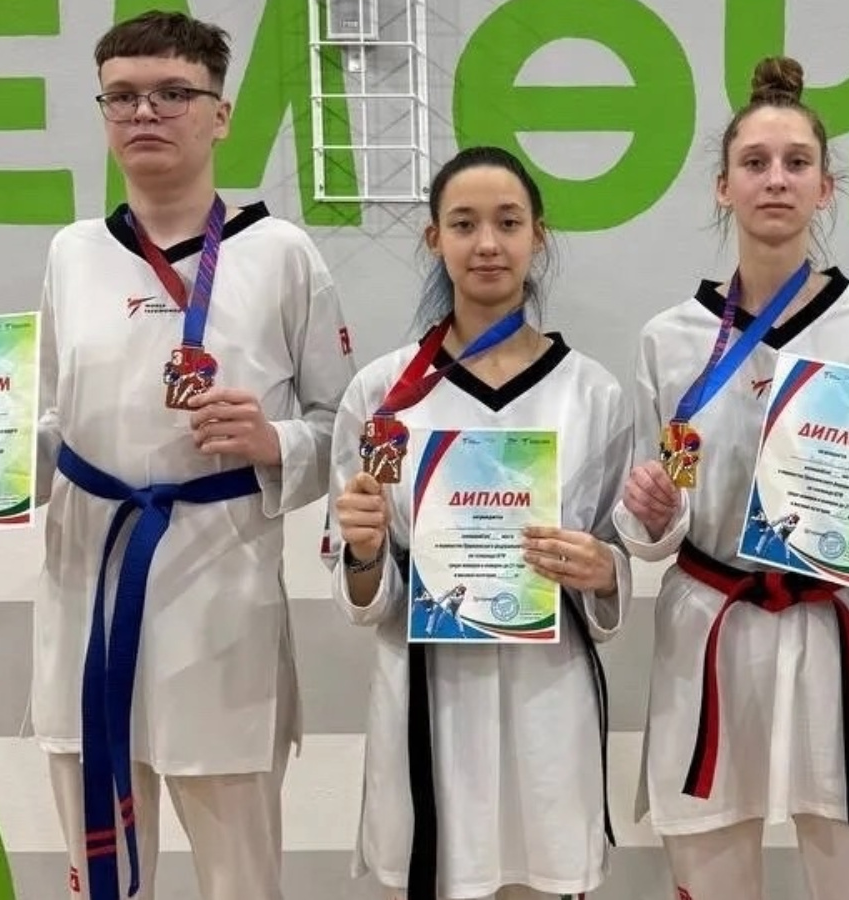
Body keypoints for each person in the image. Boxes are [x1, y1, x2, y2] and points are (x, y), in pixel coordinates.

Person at [0, 12, 358, 900]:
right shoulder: (74, 253)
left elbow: (344, 427)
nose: (145, 113)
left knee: (241, 880)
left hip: (220, 599)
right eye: (123, 96)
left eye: (173, 94)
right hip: (86, 591)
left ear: (221, 114)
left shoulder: (283, 255)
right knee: (102, 874)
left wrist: (274, 442)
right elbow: (60, 426)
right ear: (102, 112)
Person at [614, 56, 849, 900]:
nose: (775, 179)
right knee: (711, 873)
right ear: (722, 187)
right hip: (711, 620)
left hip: (834, 622)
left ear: (825, 188)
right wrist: (652, 511)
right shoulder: (669, 337)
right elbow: (653, 516)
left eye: (797, 163)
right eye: (754, 163)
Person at [326, 145, 633, 900]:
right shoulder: (381, 395)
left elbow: (613, 557)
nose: (487, 243)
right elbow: (361, 591)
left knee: (543, 876)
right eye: (464, 224)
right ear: (435, 238)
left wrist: (603, 571)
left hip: (546, 691)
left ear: (538, 236)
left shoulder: (592, 393)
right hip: (430, 692)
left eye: (508, 222)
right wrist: (364, 549)